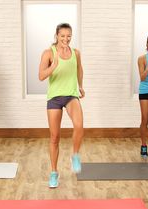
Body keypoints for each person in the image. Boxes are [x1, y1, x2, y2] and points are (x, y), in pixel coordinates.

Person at [39, 23, 85, 188]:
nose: (66, 39)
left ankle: (75, 155)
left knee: (79, 125)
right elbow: (41, 76)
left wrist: (80, 86)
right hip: (55, 98)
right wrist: (53, 65)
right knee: (54, 137)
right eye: (62, 35)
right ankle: (54, 172)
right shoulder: (48, 53)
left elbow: (79, 69)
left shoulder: (76, 53)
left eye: (68, 36)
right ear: (57, 36)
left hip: (71, 95)